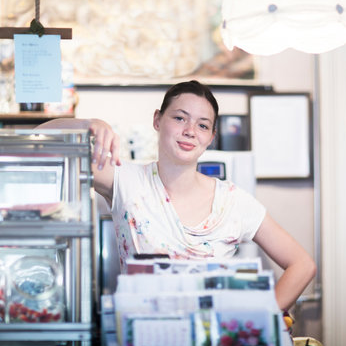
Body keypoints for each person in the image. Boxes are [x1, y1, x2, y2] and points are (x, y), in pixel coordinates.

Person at [37, 80, 316, 310]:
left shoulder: (233, 201)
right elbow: (35, 144)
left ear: (211, 136)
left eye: (203, 125)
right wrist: (87, 124)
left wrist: (265, 316)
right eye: (180, 118)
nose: (190, 132)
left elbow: (302, 264)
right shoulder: (125, 179)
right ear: (158, 120)